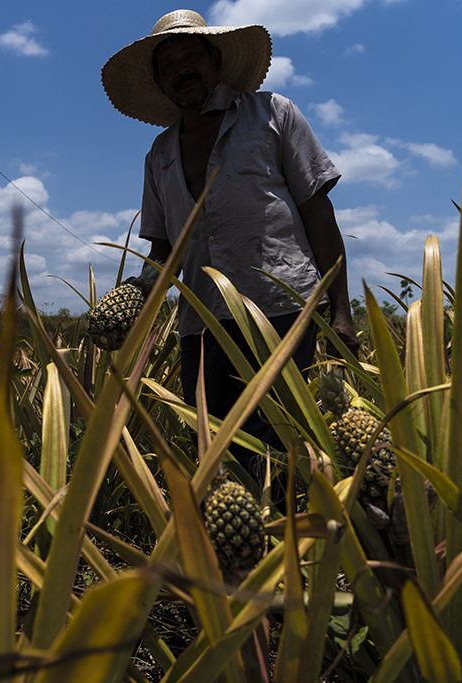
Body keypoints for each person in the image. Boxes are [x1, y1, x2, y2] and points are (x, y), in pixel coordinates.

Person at [101, 9, 358, 484]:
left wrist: (339, 309)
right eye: (168, 63)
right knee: (218, 443)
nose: (182, 68)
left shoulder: (274, 114)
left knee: (287, 439)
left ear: (214, 58)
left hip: (281, 309)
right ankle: (243, 554)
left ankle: (297, 543)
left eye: (190, 55)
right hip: (202, 322)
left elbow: (319, 213)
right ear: (159, 81)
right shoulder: (159, 154)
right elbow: (161, 247)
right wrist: (133, 299)